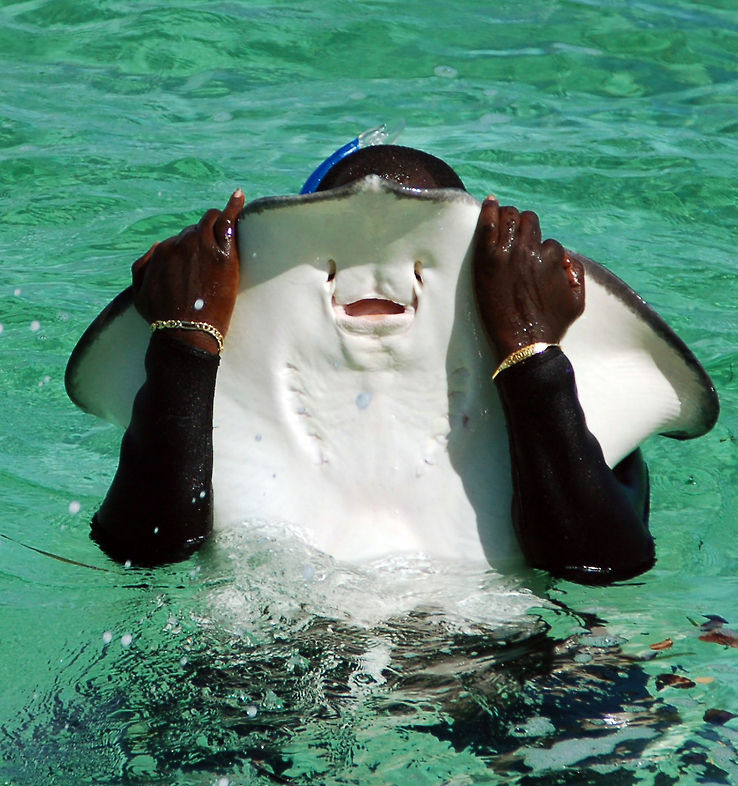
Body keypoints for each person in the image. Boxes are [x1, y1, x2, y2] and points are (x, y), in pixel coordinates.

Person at [91, 145, 655, 581]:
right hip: (266, 665)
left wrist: (531, 353)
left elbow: (599, 567)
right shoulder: (199, 356)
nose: (379, 271)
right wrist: (186, 340)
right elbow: (144, 553)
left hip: (495, 662)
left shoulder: (590, 433)